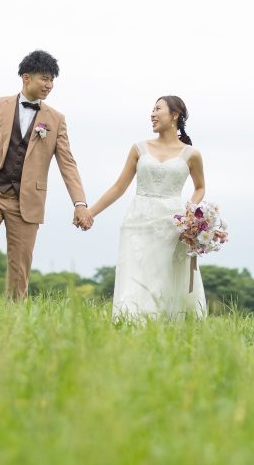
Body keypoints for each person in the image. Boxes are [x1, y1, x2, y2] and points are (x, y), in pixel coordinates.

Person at [0, 50, 93, 303]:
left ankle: (15, 316)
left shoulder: (56, 120)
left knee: (20, 266)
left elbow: (67, 164)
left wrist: (80, 204)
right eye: (44, 79)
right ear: (26, 78)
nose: (49, 86)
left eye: (52, 81)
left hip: (27, 201)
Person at [89, 96, 207, 317]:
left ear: (175, 115)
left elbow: (200, 187)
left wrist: (192, 212)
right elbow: (118, 187)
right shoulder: (139, 148)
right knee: (135, 275)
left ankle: (169, 327)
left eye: (157, 109)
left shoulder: (191, 154)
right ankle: (131, 323)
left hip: (173, 224)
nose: (152, 114)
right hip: (138, 221)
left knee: (167, 278)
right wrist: (90, 213)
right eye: (152, 110)